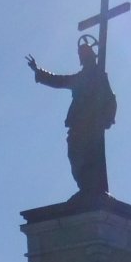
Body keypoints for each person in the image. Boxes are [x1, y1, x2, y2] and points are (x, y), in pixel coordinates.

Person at [26, 34, 116, 197]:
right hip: (77, 124)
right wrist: (38, 70)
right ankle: (85, 188)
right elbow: (59, 81)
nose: (83, 58)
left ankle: (92, 188)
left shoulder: (99, 76)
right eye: (81, 55)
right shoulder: (80, 78)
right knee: (75, 155)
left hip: (92, 125)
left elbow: (110, 98)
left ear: (91, 57)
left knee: (91, 156)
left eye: (85, 55)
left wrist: (106, 119)